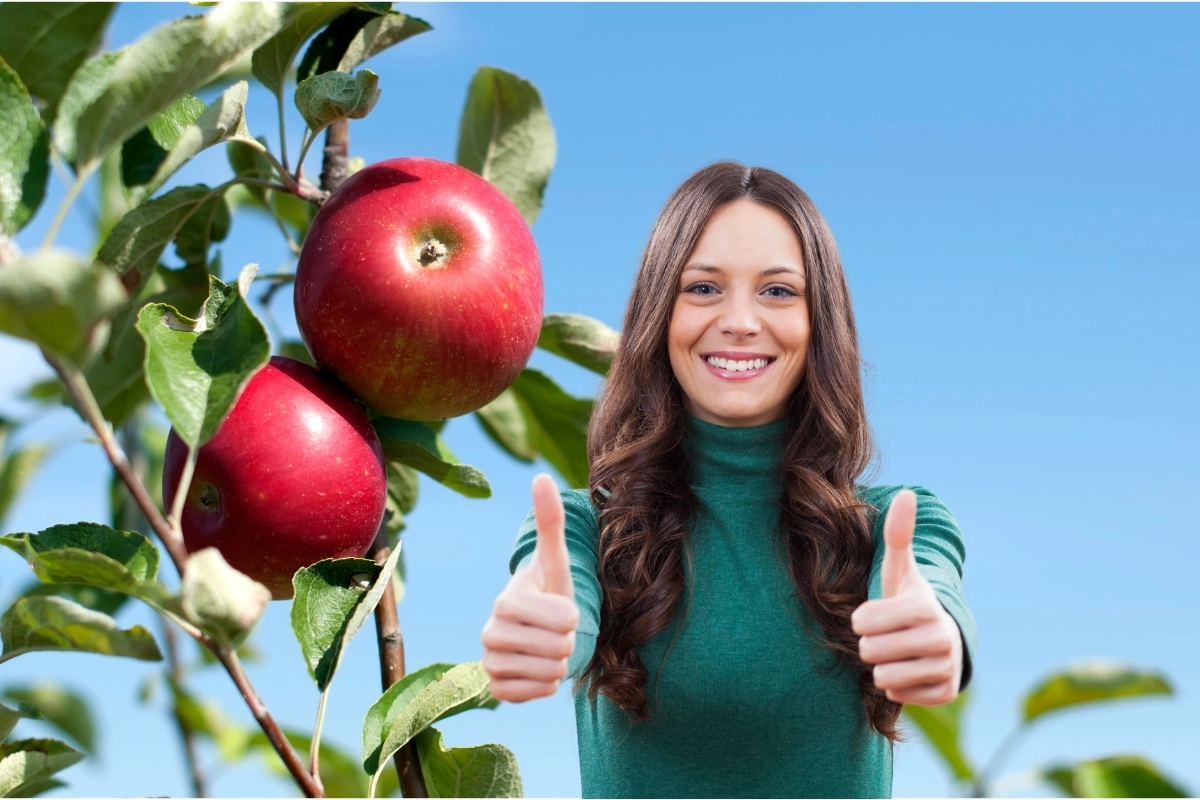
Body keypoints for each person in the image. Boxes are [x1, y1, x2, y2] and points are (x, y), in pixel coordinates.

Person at [480, 161, 976, 798]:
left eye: (777, 291)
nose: (740, 320)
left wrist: (934, 636)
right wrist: (547, 629)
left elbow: (931, 596)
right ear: (660, 313)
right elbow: (558, 599)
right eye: (704, 288)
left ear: (819, 323)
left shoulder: (895, 525)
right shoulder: (585, 528)